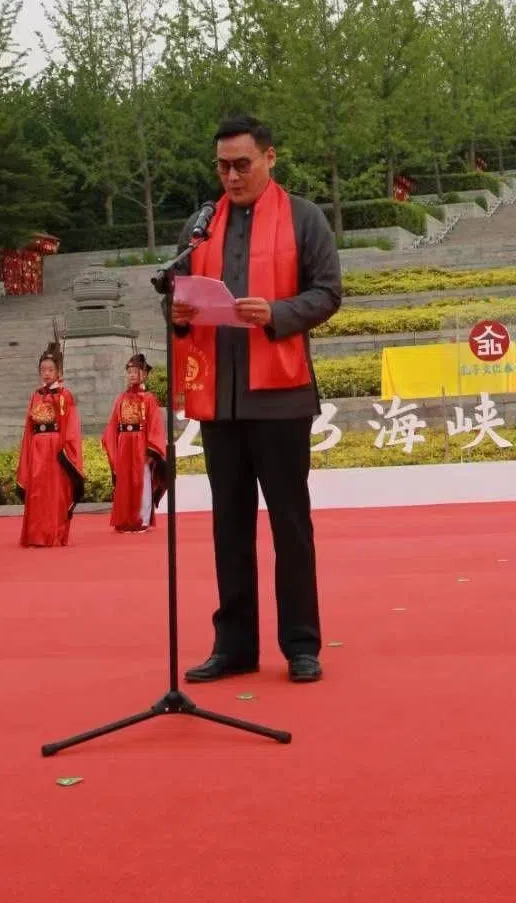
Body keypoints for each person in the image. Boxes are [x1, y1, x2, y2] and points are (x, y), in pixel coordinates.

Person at [170, 115, 342, 685]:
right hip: (219, 397)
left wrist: (278, 314)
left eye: (242, 164)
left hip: (282, 395)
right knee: (229, 526)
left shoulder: (304, 217)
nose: (231, 175)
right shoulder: (201, 223)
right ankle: (234, 646)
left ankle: (300, 644)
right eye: (222, 165)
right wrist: (174, 313)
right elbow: (176, 290)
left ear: (271, 158)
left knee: (290, 524)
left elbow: (328, 292)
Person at [17, 343, 84, 547]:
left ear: (59, 372)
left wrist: (66, 450)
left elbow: (70, 425)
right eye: (43, 370)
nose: (46, 374)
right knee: (37, 491)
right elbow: (29, 426)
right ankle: (36, 534)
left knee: (54, 492)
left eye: (50, 370)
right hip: (37, 446)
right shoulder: (36, 395)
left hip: (55, 448)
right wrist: (27, 451)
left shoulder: (65, 396)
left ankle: (53, 533)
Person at [101, 353, 167, 532]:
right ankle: (124, 519)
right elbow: (113, 425)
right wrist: (111, 444)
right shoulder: (121, 399)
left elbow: (155, 425)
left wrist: (152, 450)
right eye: (129, 371)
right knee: (124, 482)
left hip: (140, 445)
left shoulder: (149, 399)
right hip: (124, 444)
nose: (131, 375)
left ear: (143, 374)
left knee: (142, 481)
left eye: (135, 371)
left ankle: (142, 519)